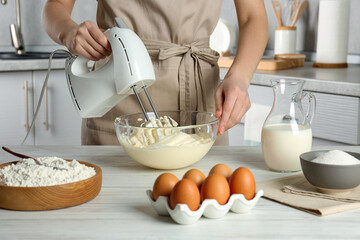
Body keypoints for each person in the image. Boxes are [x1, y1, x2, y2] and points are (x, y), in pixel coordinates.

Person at [42, 0, 268, 145]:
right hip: (120, 90)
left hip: (201, 102)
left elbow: (253, 17)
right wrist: (69, 33)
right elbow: (55, 5)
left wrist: (239, 77)